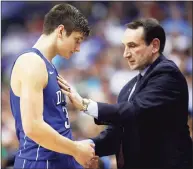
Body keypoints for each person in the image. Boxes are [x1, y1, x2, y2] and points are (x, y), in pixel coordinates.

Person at [58, 18, 193, 169]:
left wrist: (85, 104)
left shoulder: (167, 74)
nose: (125, 54)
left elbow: (137, 110)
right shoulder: (128, 88)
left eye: (132, 46)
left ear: (154, 45)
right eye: (124, 47)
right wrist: (83, 147)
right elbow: (117, 134)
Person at [10, 3, 95, 169]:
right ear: (61, 31)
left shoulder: (48, 65)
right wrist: (76, 149)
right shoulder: (31, 62)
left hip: (58, 159)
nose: (78, 49)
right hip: (38, 161)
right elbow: (33, 127)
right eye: (77, 40)